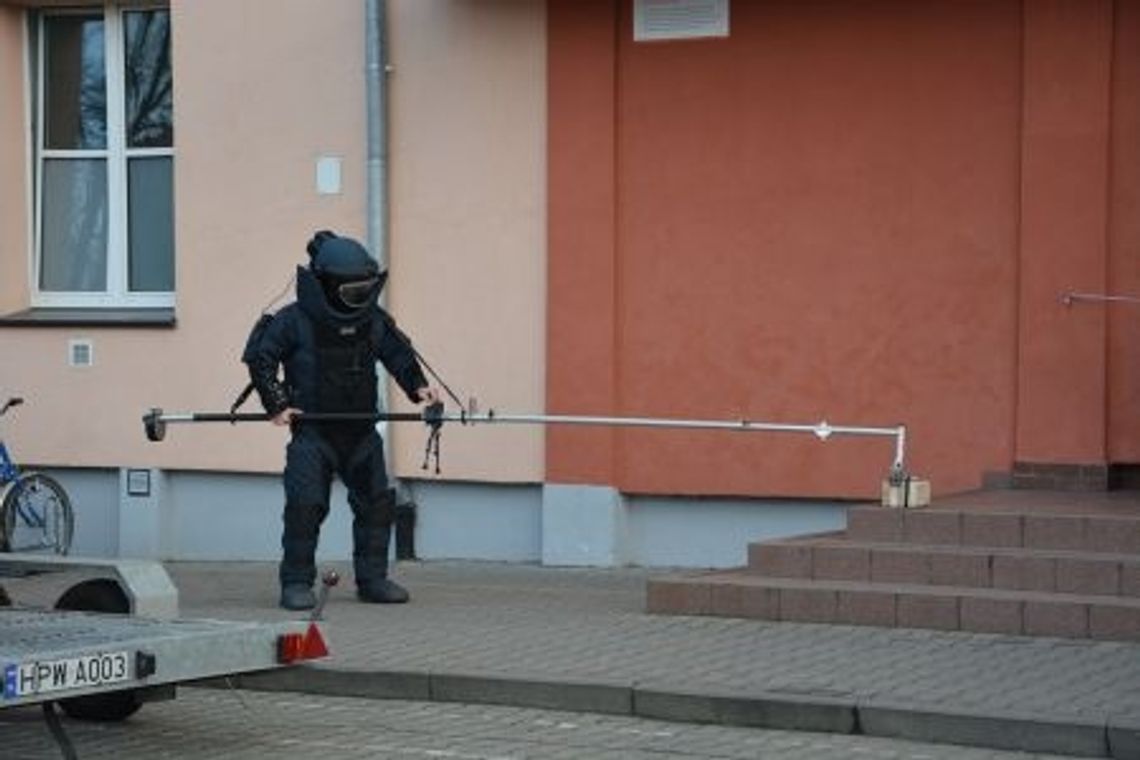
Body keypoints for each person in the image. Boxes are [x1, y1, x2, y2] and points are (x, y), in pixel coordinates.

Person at [243, 230, 438, 610]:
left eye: (364, 291)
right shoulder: (292, 321)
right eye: (352, 292)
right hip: (313, 434)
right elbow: (261, 359)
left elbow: (397, 353)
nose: (360, 299)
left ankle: (373, 579)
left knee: (376, 505)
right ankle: (297, 582)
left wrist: (418, 387)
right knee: (305, 506)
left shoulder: (373, 320)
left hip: (361, 433)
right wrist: (277, 403)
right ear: (327, 285)